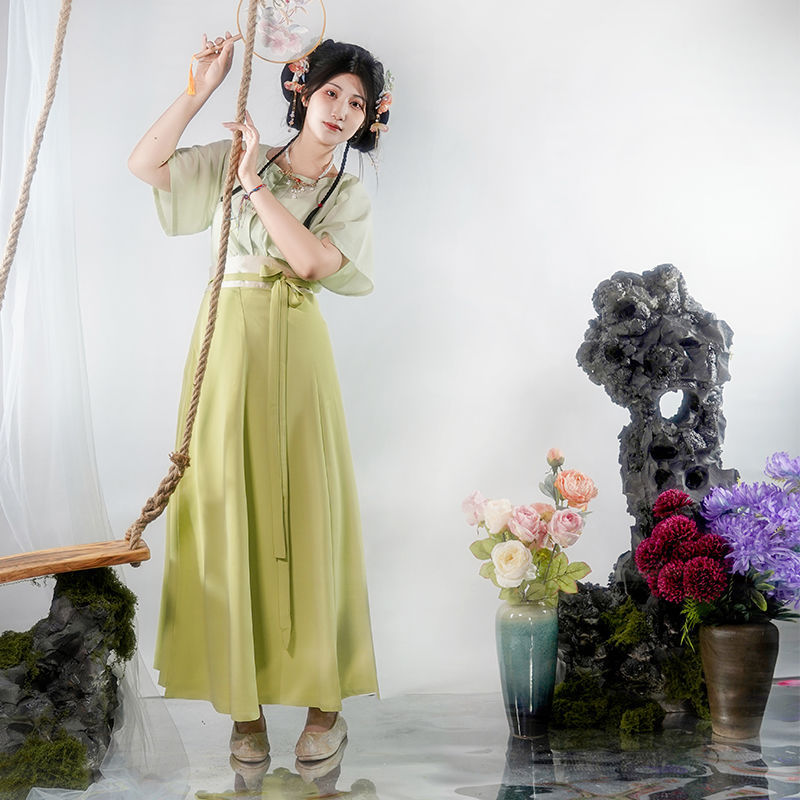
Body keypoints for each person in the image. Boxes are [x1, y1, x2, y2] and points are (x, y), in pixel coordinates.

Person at [128, 33, 388, 764]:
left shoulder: (346, 193)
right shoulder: (239, 156)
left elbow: (308, 262)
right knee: (225, 503)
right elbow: (145, 164)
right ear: (302, 91)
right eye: (331, 92)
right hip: (223, 350)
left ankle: (324, 704)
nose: (341, 110)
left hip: (296, 352)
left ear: (368, 119)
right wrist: (201, 89)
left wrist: (255, 185)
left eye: (357, 103)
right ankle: (245, 713)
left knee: (307, 508)